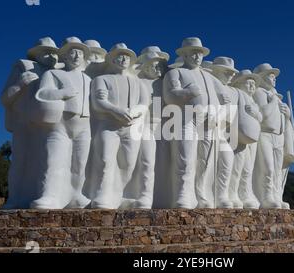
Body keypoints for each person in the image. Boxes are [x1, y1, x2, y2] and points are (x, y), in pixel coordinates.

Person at [162, 37, 233, 208]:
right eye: (193, 53)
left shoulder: (210, 77)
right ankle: (183, 194)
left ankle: (201, 194)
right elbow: (170, 96)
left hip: (209, 122)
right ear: (184, 55)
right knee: (185, 158)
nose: (197, 57)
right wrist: (188, 93)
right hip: (186, 120)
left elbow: (227, 99)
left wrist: (220, 115)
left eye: (199, 54)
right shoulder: (175, 73)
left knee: (205, 161)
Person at [84, 43, 149, 209]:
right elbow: (99, 102)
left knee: (128, 163)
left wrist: (133, 112)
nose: (123, 59)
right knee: (105, 160)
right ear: (112, 59)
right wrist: (116, 111)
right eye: (119, 56)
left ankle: (118, 195)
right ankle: (102, 195)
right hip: (109, 125)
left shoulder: (138, 82)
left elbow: (144, 103)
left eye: (126, 57)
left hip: (131, 126)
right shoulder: (101, 80)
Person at [30, 37, 92, 209]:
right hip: (61, 123)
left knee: (80, 163)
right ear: (64, 56)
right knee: (53, 159)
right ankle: (49, 194)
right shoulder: (53, 74)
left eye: (79, 53)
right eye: (72, 52)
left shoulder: (88, 79)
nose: (76, 56)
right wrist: (63, 93)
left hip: (84, 124)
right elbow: (42, 94)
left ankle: (76, 194)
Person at [1, 37, 61, 209]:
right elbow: (4, 98)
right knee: (20, 160)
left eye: (54, 53)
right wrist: (20, 84)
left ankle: (44, 194)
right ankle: (15, 198)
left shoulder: (58, 72)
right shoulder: (23, 67)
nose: (52, 56)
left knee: (47, 161)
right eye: (47, 52)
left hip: (47, 124)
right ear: (37, 55)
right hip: (24, 123)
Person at [252, 63, 294, 209]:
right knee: (268, 167)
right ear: (263, 78)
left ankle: (277, 196)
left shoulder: (276, 97)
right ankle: (266, 197)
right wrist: (272, 102)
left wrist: (287, 114)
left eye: (274, 76)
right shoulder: (258, 93)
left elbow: (284, 120)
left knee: (278, 170)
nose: (274, 79)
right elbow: (262, 115)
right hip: (264, 134)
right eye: (270, 76)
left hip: (279, 137)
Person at [128, 49, 169, 208]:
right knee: (146, 162)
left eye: (160, 65)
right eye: (154, 65)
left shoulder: (166, 82)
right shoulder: (137, 81)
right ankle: (145, 195)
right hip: (144, 126)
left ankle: (162, 196)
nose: (158, 68)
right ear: (145, 67)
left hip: (167, 127)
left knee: (165, 164)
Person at [229, 69, 263, 209]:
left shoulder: (252, 100)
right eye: (249, 83)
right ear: (240, 83)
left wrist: (255, 113)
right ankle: (232, 193)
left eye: (254, 84)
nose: (252, 87)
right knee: (236, 167)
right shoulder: (236, 93)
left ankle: (245, 193)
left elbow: (260, 117)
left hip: (252, 140)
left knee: (248, 168)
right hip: (238, 137)